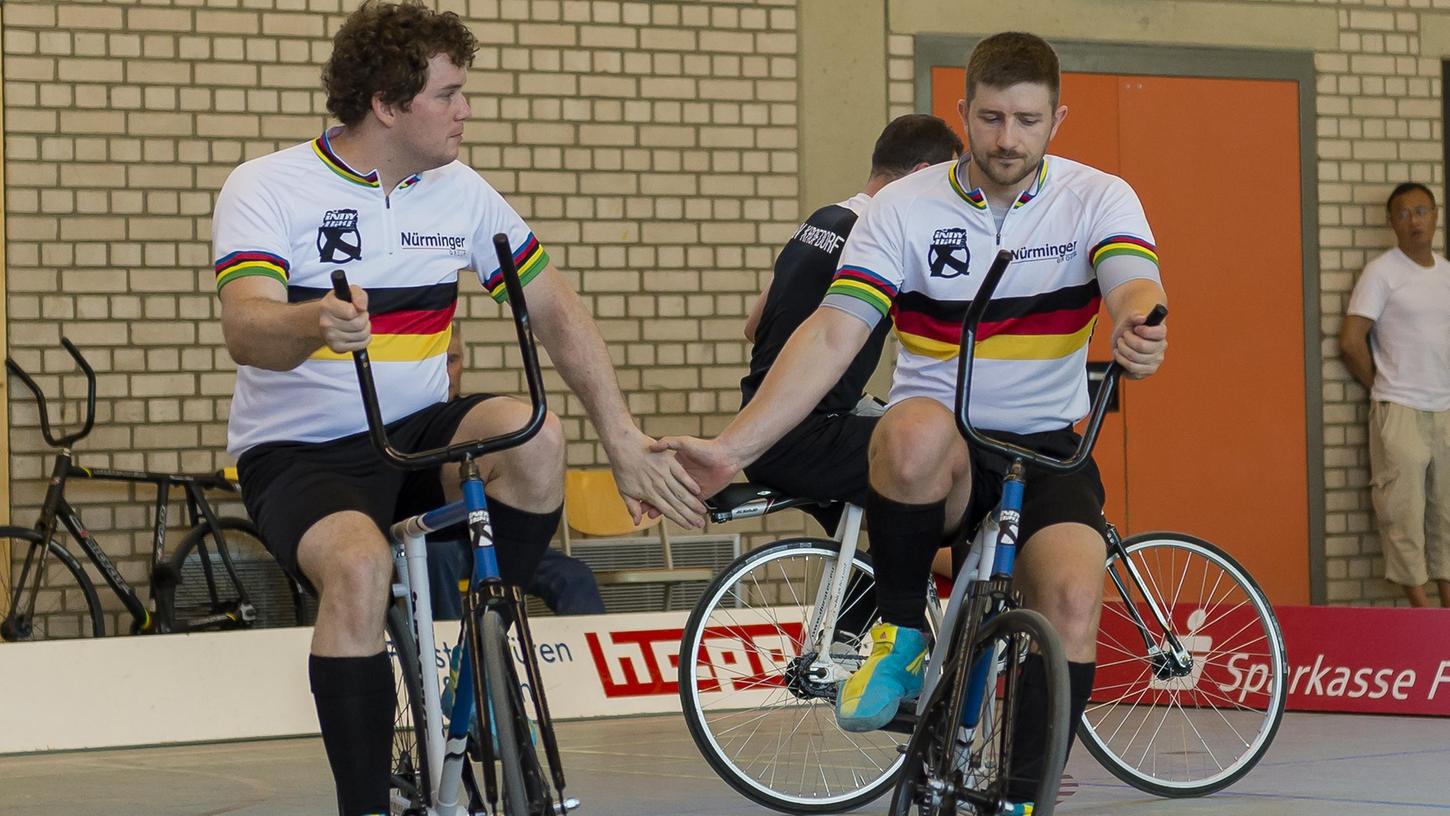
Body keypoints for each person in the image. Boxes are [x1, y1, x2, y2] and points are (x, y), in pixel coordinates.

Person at [211, 3, 702, 814]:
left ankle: (480, 661)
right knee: (359, 568)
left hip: (420, 436)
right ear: (386, 103)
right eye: (449, 93)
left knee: (533, 437)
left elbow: (556, 311)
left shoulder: (462, 193)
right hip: (302, 451)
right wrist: (312, 322)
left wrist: (622, 439)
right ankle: (365, 803)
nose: (465, 110)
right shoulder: (269, 186)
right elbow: (246, 327)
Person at [660, 31, 1167, 808]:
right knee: (911, 425)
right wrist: (734, 449)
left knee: (1070, 602)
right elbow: (834, 331)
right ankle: (898, 631)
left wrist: (1139, 319)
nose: (1007, 139)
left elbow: (1132, 277)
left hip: (1046, 454)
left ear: (1057, 119)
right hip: (944, 455)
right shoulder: (902, 207)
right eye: (991, 118)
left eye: (1027, 121)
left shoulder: (1098, 196)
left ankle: (1023, 797)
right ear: (961, 110)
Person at [740, 114, 962, 534]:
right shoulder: (875, 237)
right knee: (948, 467)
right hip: (807, 437)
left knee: (899, 518)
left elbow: (754, 327)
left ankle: (872, 593)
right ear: (921, 176)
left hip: (759, 422)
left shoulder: (820, 220)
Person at [429, 328, 606, 618]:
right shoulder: (402, 420)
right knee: (437, 558)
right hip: (437, 541)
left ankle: (594, 658)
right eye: (438, 362)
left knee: (574, 576)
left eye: (453, 360)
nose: (447, 372)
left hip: (491, 536)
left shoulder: (483, 417)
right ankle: (447, 651)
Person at [1340, 182, 1450, 608]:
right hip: (1399, 410)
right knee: (1403, 516)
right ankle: (1423, 618)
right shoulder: (1381, 272)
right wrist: (1384, 389)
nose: (1414, 221)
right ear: (1391, 223)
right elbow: (1351, 342)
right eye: (1404, 214)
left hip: (1443, 411)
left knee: (1444, 516)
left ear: (1435, 215)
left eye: (1421, 211)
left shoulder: (1445, 274)